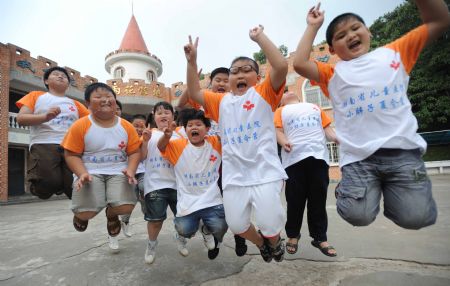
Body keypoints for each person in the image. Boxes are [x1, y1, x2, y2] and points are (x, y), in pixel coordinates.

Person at [293, 1, 449, 230]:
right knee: (357, 215)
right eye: (341, 35)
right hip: (359, 159)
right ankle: (350, 191)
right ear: (332, 50)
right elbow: (299, 63)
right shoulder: (332, 73)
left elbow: (439, 20)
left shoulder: (394, 53)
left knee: (417, 218)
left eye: (356, 28)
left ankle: (393, 195)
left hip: (403, 152)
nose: (351, 35)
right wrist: (313, 26)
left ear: (369, 32)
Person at [184, 24, 288, 262]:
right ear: (229, 79)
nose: (239, 75)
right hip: (234, 177)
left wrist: (259, 37)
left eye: (246, 70)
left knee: (271, 225)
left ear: (257, 77)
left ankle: (274, 240)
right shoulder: (220, 102)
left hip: (265, 172)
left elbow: (281, 66)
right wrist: (192, 63)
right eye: (234, 71)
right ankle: (262, 243)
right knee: (237, 225)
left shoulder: (264, 93)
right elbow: (193, 90)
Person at [61, 82, 140, 253]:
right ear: (88, 104)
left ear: (115, 101)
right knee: (86, 212)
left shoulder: (126, 126)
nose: (105, 100)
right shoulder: (80, 125)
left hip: (118, 171)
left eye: (109, 96)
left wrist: (131, 169)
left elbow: (134, 152)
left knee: (126, 206)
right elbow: (71, 154)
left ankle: (111, 215)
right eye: (98, 97)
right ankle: (81, 214)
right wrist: (81, 173)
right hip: (89, 172)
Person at [177, 67, 248, 256]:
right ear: (210, 83)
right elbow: (181, 103)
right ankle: (215, 241)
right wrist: (194, 80)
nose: (222, 83)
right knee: (213, 203)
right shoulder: (203, 101)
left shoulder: (236, 103)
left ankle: (240, 236)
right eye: (218, 80)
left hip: (233, 161)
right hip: (208, 162)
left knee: (234, 201)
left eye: (226, 80)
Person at [158, 109, 228, 260]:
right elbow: (161, 147)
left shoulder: (215, 143)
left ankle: (207, 231)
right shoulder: (178, 146)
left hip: (212, 200)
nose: (194, 128)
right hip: (188, 202)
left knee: (221, 228)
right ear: (185, 129)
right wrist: (166, 136)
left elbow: (229, 135)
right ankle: (181, 235)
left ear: (207, 129)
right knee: (185, 230)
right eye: (189, 125)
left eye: (198, 124)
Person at [274, 91, 338, 257]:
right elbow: (278, 131)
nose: (287, 92)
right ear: (281, 102)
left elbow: (328, 130)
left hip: (318, 159)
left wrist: (338, 139)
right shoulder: (280, 111)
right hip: (294, 160)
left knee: (318, 200)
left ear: (300, 99)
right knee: (294, 201)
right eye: (284, 93)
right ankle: (293, 236)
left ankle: (320, 238)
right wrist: (283, 141)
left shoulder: (314, 107)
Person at [16, 66, 89, 200]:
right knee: (49, 183)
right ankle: (38, 187)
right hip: (44, 143)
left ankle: (69, 196)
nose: (60, 76)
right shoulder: (35, 96)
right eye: (55, 74)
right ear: (46, 81)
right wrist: (45, 117)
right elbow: (21, 119)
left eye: (64, 76)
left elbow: (91, 123)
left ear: (68, 84)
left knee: (75, 188)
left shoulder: (76, 104)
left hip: (70, 146)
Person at [140, 101, 189, 264]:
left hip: (178, 185)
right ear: (154, 116)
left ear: (173, 115)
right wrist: (145, 141)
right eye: (159, 112)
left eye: (167, 112)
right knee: (155, 221)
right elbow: (141, 157)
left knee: (183, 218)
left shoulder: (181, 133)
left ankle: (181, 238)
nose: (163, 115)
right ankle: (151, 244)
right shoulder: (149, 133)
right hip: (155, 184)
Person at [118, 114, 148, 238]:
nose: (139, 129)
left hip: (142, 171)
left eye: (142, 126)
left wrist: (145, 142)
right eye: (136, 126)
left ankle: (147, 212)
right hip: (128, 173)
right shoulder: (123, 137)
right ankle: (124, 221)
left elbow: (143, 157)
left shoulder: (147, 138)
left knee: (145, 188)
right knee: (131, 200)